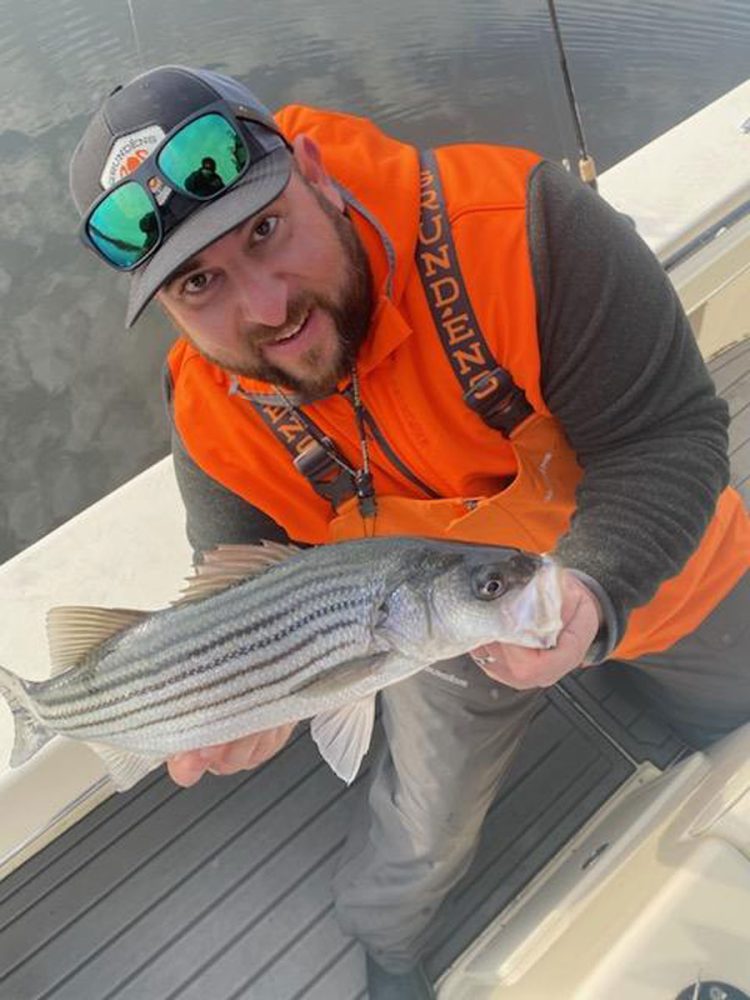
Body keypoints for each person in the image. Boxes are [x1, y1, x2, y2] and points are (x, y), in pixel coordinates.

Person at [69, 64, 750, 999]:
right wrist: (254, 697)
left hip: (661, 565)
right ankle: (386, 949)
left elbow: (669, 434)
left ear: (313, 170)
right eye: (200, 283)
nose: (265, 308)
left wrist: (592, 590)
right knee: (419, 833)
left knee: (740, 711)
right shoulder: (208, 417)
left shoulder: (525, 229)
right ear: (170, 312)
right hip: (419, 641)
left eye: (267, 229)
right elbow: (235, 584)